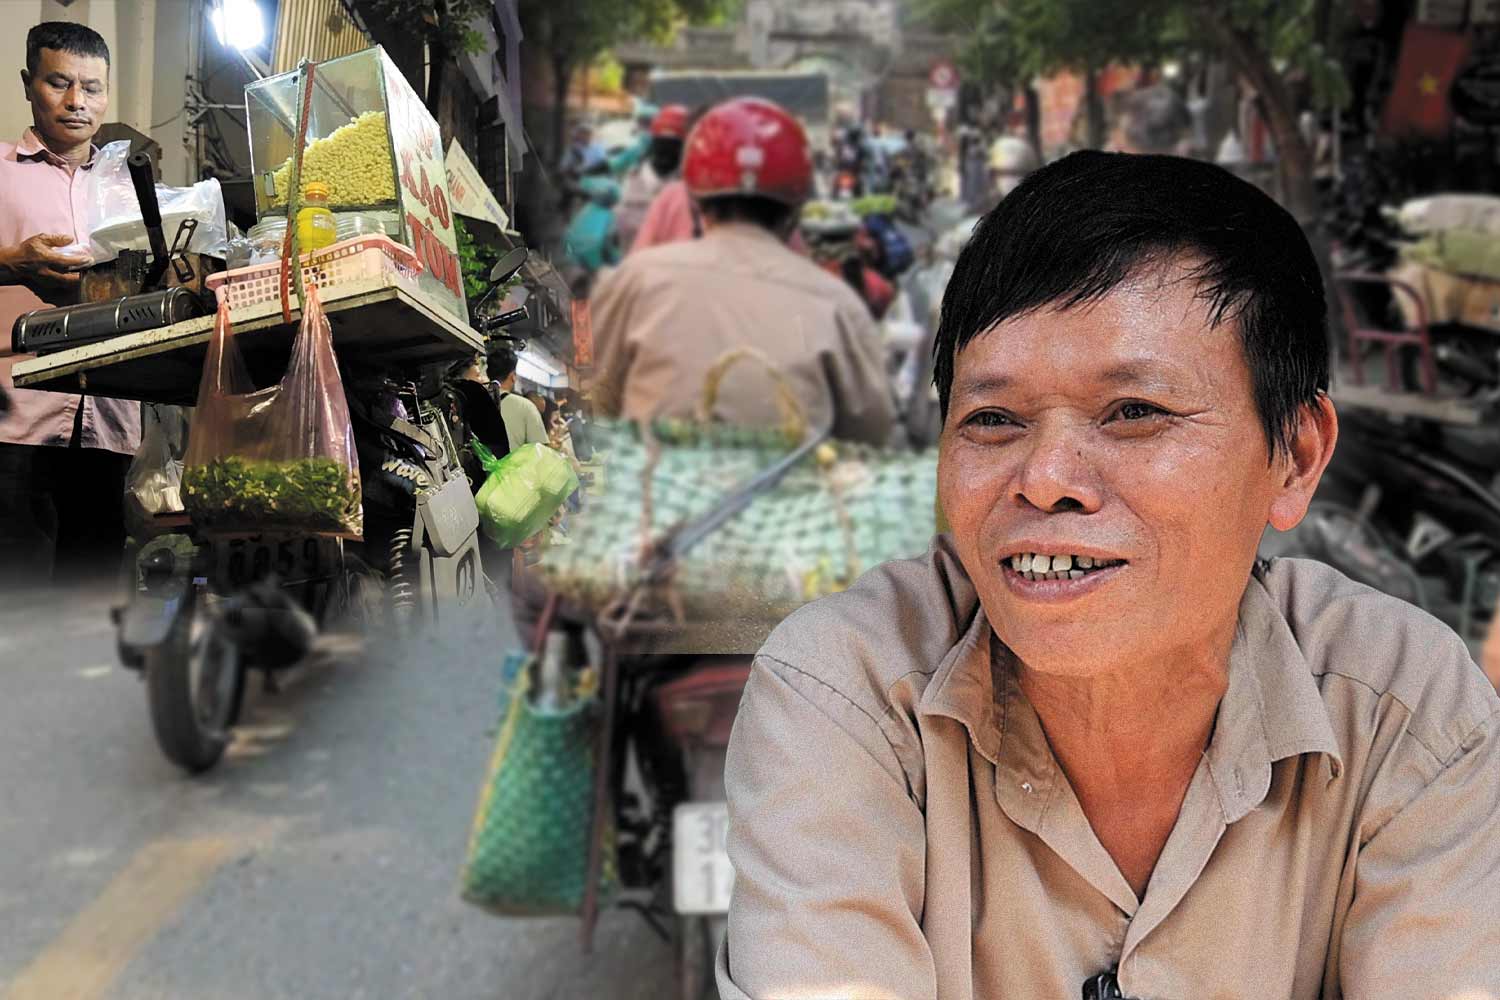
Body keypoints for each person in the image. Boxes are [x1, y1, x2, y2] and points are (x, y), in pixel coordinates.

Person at [717, 152, 1500, 997]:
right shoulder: (847, 690)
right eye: (993, 419)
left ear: (1296, 456)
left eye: (1135, 412)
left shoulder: (1406, 714)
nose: (1045, 478)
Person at [588, 97, 894, 445]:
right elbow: (871, 431)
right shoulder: (837, 303)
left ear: (696, 201)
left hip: (651, 475)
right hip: (791, 479)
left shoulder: (636, 278)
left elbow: (591, 391)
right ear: (795, 211)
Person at [0, 22, 138, 590]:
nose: (77, 101)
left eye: (92, 87)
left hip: (109, 420)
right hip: (14, 422)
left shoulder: (132, 190)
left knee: (89, 611)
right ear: (28, 83)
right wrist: (12, 262)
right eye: (59, 83)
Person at [615, 104, 688, 252]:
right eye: (662, 143)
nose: (666, 152)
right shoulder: (633, 177)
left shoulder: (690, 186)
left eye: (673, 145)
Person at [485, 348, 548, 454]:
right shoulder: (526, 406)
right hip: (516, 465)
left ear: (488, 374)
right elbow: (541, 452)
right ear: (513, 376)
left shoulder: (475, 403)